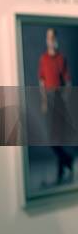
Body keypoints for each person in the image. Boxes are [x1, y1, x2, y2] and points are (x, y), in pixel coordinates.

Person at [38, 28, 73, 184]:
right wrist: (44, 101)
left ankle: (60, 171)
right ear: (46, 40)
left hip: (59, 99)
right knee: (51, 139)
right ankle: (67, 159)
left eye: (52, 37)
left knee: (57, 137)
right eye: (48, 37)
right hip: (49, 99)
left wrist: (64, 99)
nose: (50, 40)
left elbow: (68, 82)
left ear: (56, 39)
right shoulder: (43, 59)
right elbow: (41, 82)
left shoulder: (61, 58)